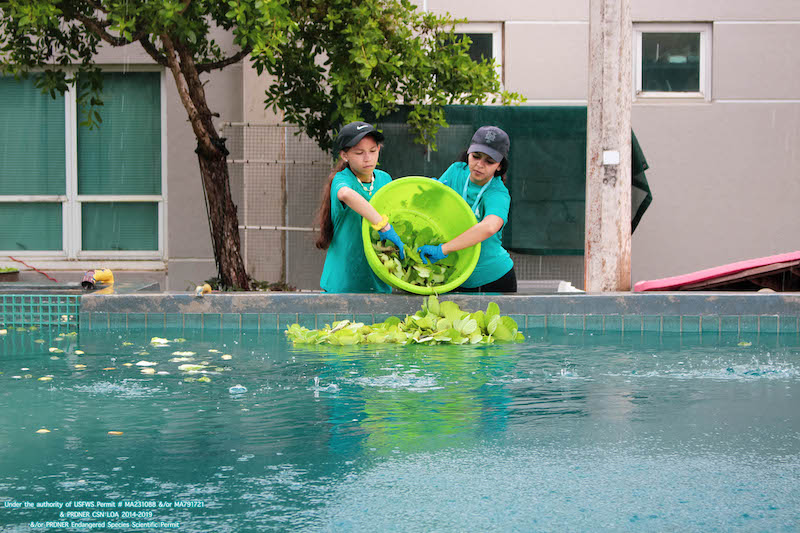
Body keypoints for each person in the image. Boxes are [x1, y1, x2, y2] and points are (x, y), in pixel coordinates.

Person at [417, 126, 517, 293]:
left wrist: (443, 249)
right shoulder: (456, 170)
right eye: (476, 156)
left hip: (492, 278)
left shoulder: (497, 193)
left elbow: (489, 227)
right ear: (468, 154)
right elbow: (434, 207)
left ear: (499, 166)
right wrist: (429, 194)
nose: (479, 165)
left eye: (489, 161)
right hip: (454, 275)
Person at [315, 121, 406, 293]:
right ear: (345, 155)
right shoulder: (342, 179)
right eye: (359, 152)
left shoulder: (385, 179)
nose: (367, 158)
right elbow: (346, 195)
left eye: (373, 151)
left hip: (378, 283)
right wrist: (382, 225)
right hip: (342, 284)